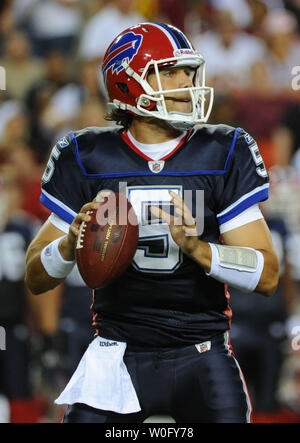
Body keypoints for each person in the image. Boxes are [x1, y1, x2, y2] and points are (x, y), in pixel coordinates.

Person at [25, 23, 279, 423]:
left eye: (189, 70)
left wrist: (198, 249)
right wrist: (68, 243)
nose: (186, 81)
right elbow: (36, 276)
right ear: (128, 83)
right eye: (170, 71)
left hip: (202, 350)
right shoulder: (86, 154)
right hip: (115, 354)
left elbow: (266, 275)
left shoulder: (223, 149)